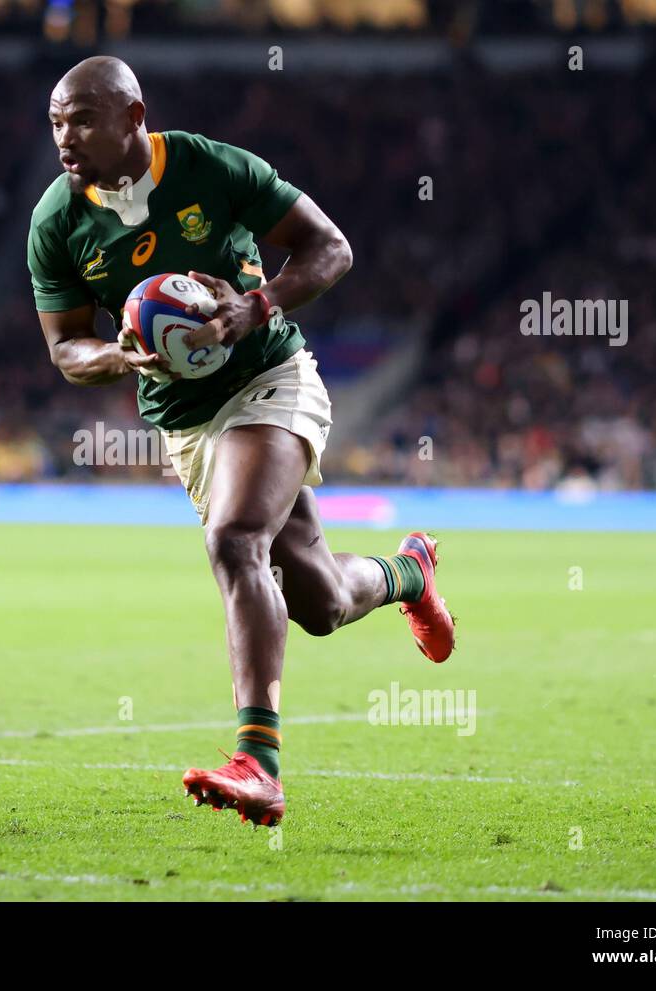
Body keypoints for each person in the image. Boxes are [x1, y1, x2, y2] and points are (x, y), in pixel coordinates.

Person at [27, 56, 455, 827]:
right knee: (320, 603)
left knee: (234, 540)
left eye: (83, 119)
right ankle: (408, 573)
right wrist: (123, 354)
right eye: (57, 122)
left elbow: (330, 249)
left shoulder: (213, 168)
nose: (66, 137)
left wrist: (253, 308)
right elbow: (65, 348)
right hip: (186, 422)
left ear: (134, 115)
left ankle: (258, 763)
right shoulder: (56, 221)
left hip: (270, 376)